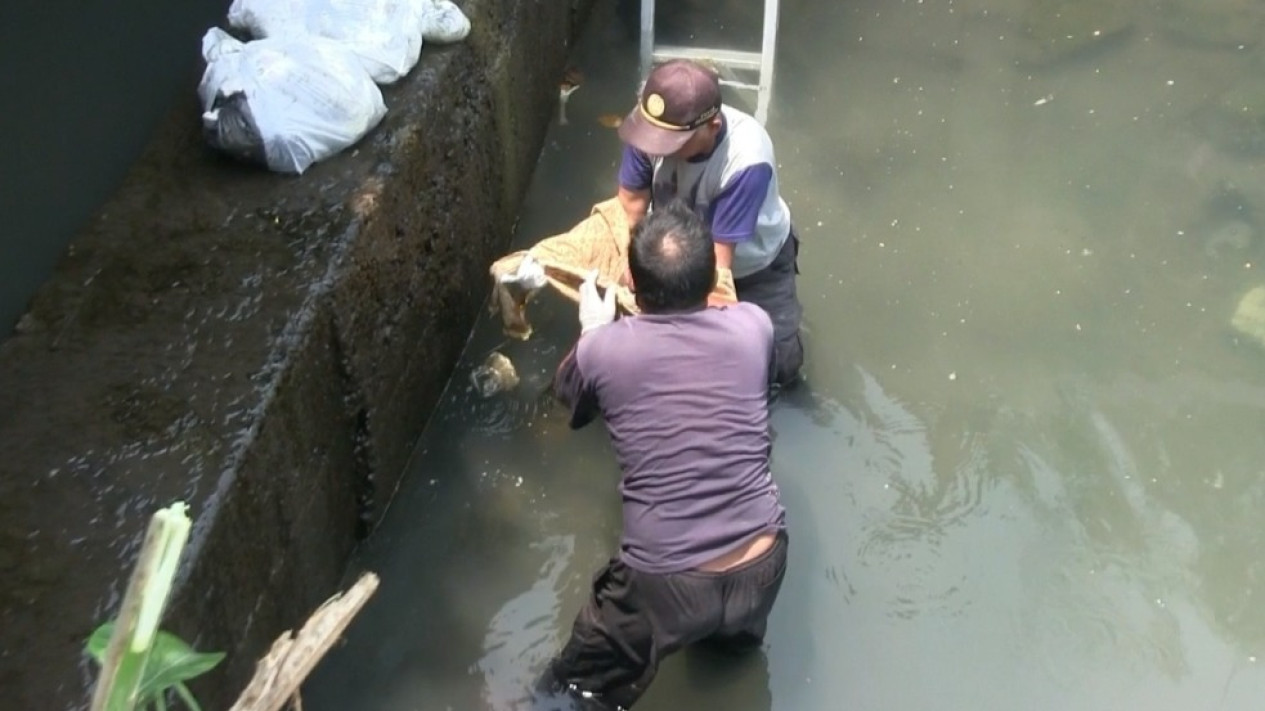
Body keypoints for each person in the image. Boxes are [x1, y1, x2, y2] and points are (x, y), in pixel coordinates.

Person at [537, 201, 789, 710]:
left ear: (630, 278)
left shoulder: (603, 350)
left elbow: (571, 402)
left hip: (665, 581)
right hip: (764, 560)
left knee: (567, 696)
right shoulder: (755, 326)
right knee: (727, 670)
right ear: (710, 279)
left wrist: (591, 329)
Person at [614, 58, 804, 388]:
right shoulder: (650, 122)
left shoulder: (747, 159)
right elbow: (631, 204)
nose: (657, 147)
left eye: (672, 142)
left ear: (712, 126)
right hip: (674, 252)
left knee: (780, 364)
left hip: (751, 263)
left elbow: (718, 267)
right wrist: (632, 261)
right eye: (653, 137)